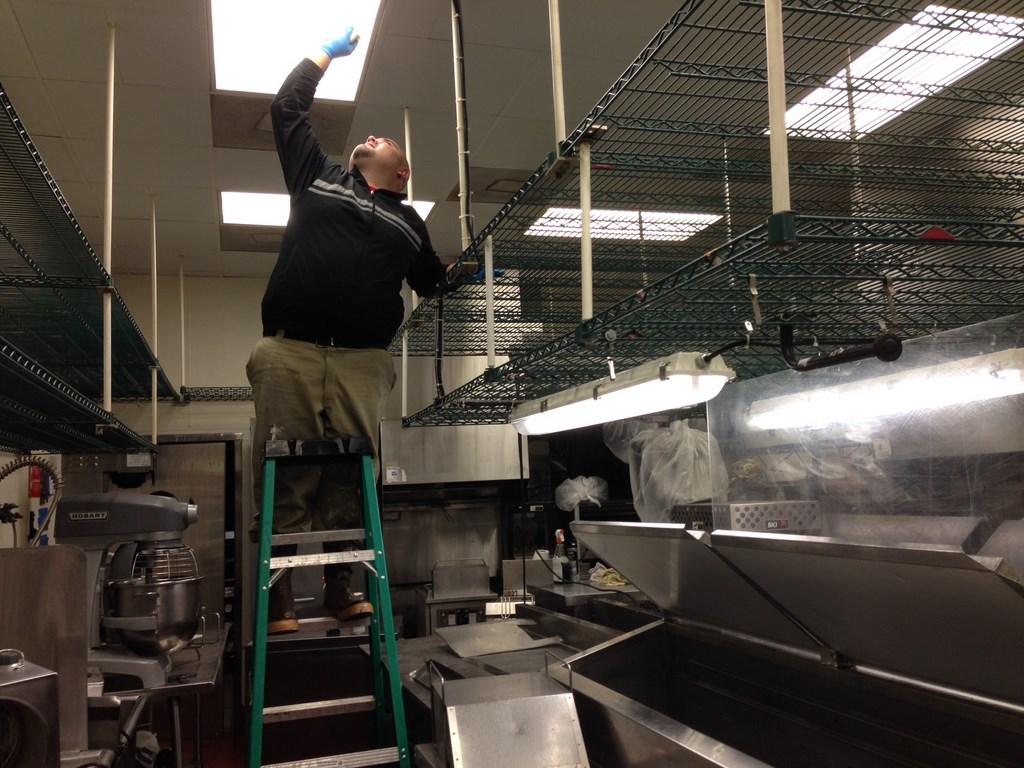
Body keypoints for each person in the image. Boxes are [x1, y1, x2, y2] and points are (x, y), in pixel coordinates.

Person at [247, 27, 449, 634]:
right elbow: (286, 109)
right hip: (289, 349)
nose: (373, 135)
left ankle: (340, 583)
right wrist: (326, 55)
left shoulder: (411, 224)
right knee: (286, 468)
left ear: (402, 170)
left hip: (363, 360)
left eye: (385, 140)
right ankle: (281, 593)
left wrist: (471, 271)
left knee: (348, 474)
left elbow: (434, 283)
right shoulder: (319, 176)